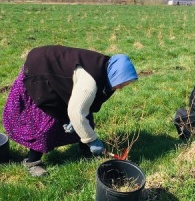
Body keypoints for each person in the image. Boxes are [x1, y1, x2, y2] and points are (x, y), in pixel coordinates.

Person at [2, 45, 138, 177]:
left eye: (124, 84)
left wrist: (76, 121)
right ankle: (32, 162)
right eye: (121, 83)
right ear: (115, 74)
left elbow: (85, 106)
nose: (121, 87)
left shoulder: (107, 70)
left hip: (61, 79)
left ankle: (86, 150)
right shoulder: (90, 83)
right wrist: (92, 140)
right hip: (41, 72)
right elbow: (77, 112)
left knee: (85, 120)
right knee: (46, 123)